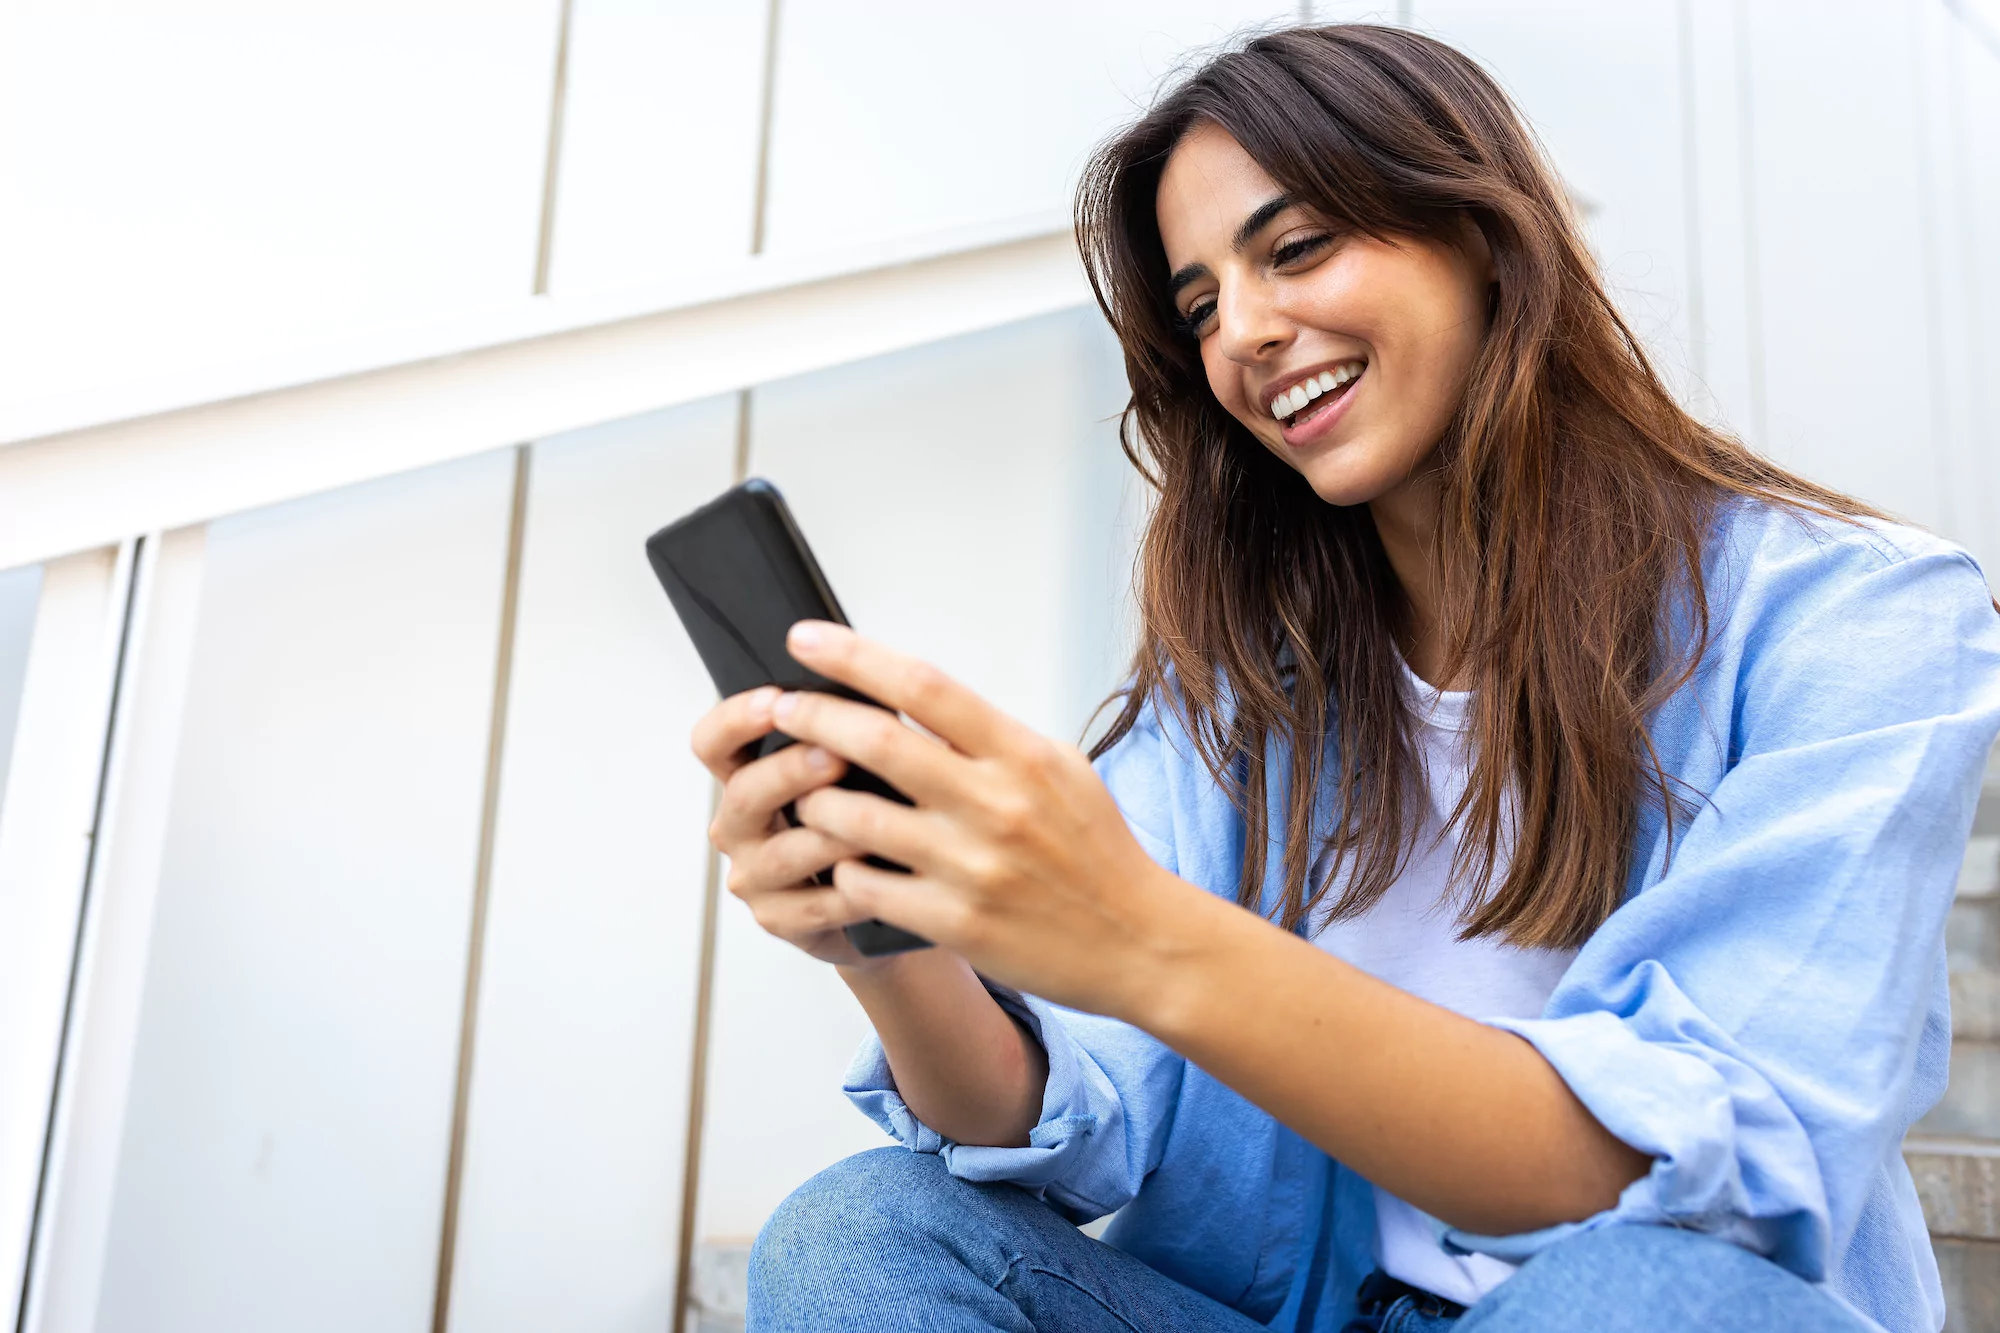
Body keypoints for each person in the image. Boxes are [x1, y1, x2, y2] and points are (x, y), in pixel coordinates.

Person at [691, 24, 2000, 1333]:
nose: (1247, 333)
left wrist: (1144, 938)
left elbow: (1665, 1178)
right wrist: (885, 932)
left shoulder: (1854, 619)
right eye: (1202, 306)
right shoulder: (1244, 690)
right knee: (860, 1232)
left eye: (1297, 247)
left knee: (1640, 1295)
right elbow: (1065, 1118)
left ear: (1484, 235)